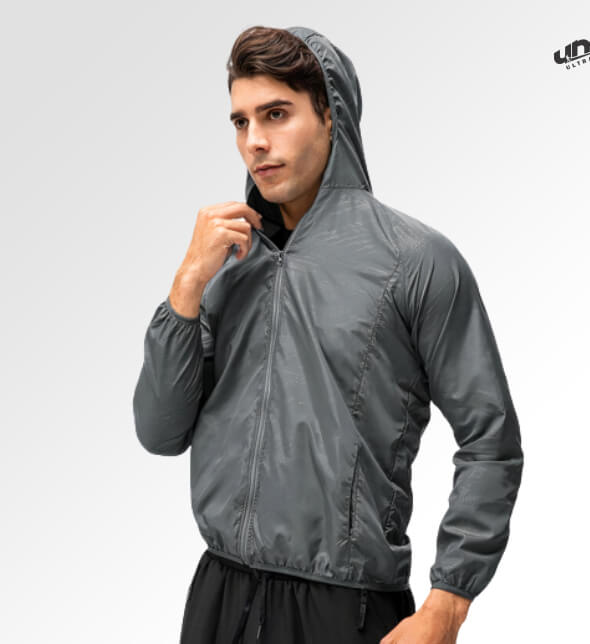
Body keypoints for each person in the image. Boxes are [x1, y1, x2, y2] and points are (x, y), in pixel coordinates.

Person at [132, 25, 524, 644]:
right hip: (218, 597)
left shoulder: (415, 261)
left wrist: (447, 604)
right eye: (240, 122)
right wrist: (186, 286)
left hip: (345, 608)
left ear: (331, 116)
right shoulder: (225, 263)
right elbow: (160, 433)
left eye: (277, 114)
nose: (255, 142)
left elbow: (491, 442)